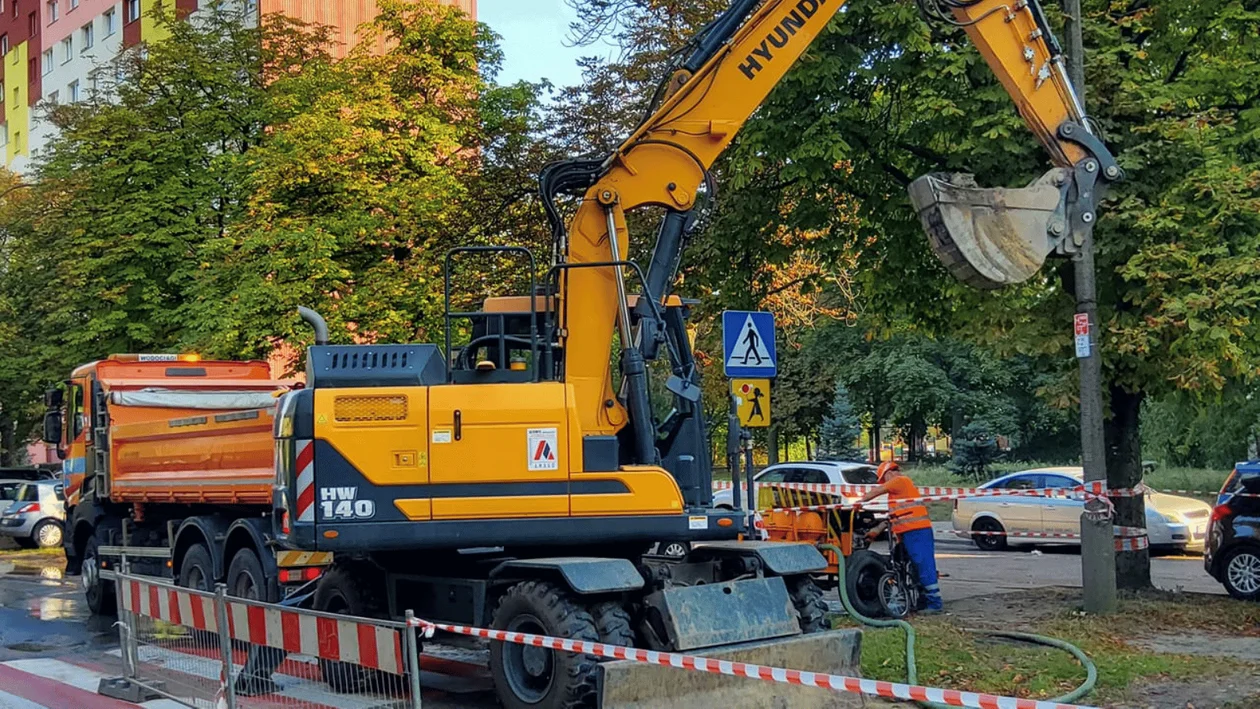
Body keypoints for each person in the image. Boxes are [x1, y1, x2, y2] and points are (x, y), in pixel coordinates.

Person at [856, 461, 943, 613]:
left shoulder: (901, 481)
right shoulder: (898, 494)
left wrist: (860, 502)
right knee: (910, 565)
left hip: (917, 532)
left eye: (884, 479)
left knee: (923, 565)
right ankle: (922, 600)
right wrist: (876, 530)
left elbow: (877, 491)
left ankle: (935, 603)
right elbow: (893, 517)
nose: (884, 483)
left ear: (889, 473)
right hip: (908, 533)